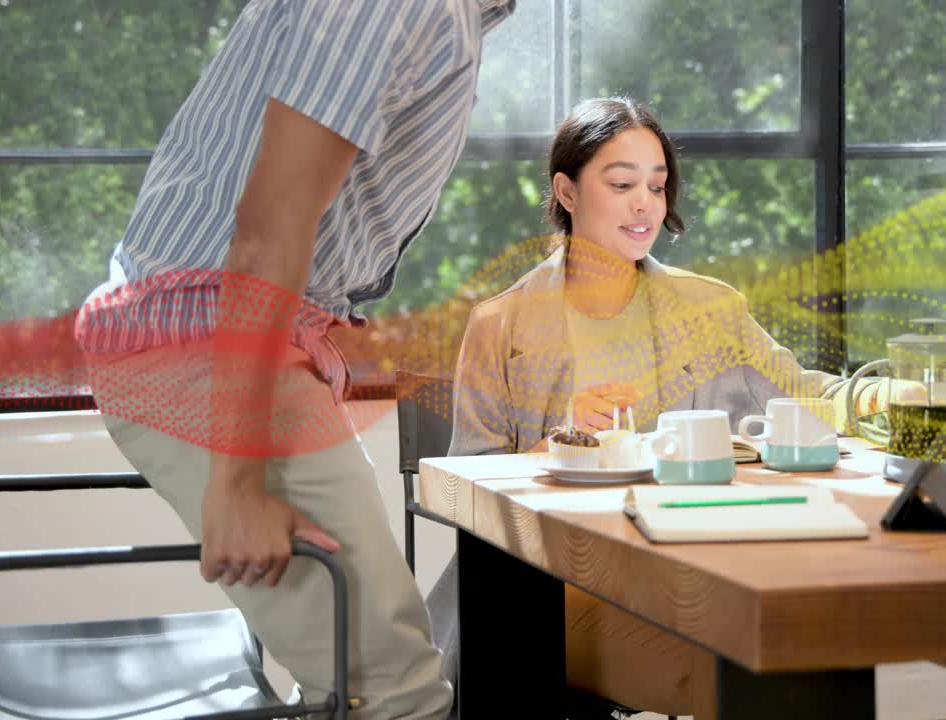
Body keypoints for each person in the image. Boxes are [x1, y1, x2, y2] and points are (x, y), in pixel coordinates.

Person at [73, 2, 518, 719]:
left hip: (214, 338)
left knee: (366, 684)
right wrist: (238, 483)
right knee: (392, 696)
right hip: (205, 342)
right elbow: (269, 224)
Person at [431, 96, 884, 716]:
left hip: (684, 567)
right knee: (758, 659)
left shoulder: (709, 309)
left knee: (809, 634)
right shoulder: (500, 325)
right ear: (567, 191)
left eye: (657, 184)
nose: (644, 203)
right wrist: (559, 443)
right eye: (621, 184)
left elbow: (804, 392)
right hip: (550, 583)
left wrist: (892, 394)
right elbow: (468, 489)